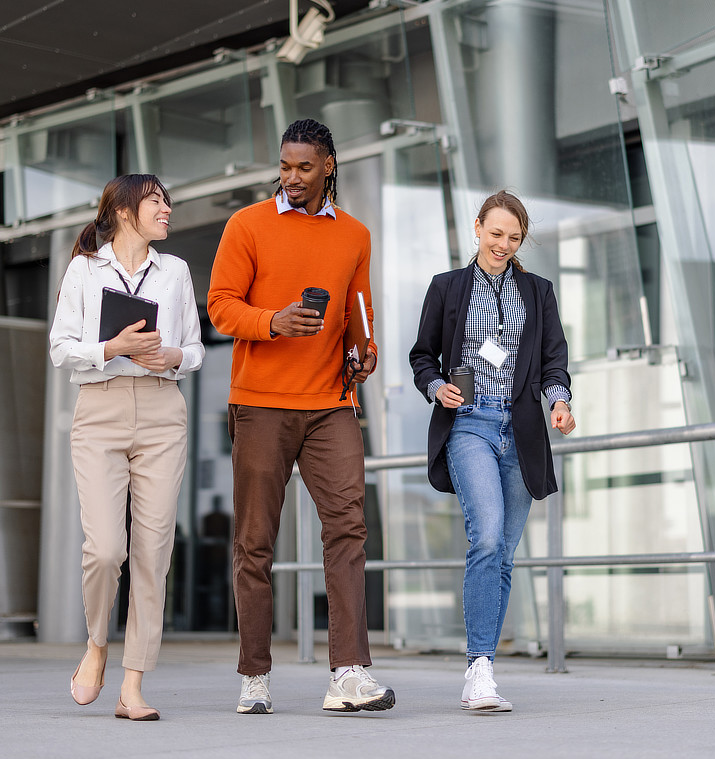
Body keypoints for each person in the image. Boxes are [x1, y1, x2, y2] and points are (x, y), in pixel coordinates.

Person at [207, 118, 395, 715]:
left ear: (328, 166)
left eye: (303, 168)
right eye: (284, 166)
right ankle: (255, 676)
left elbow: (358, 313)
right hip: (261, 403)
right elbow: (220, 307)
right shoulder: (247, 225)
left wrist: (364, 354)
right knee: (255, 542)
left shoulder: (356, 236)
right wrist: (273, 323)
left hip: (331, 404)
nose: (290, 177)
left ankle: (347, 674)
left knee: (348, 530)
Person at [409, 190, 575, 712]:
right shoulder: (447, 288)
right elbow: (421, 357)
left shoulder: (538, 292)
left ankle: (483, 669)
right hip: (470, 425)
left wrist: (560, 403)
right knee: (484, 537)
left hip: (521, 432)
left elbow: (553, 363)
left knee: (503, 553)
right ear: (477, 227)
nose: (503, 244)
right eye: (495, 232)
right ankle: (479, 667)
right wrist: (438, 387)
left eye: (514, 237)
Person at [50, 174, 204, 721]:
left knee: (153, 553)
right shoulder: (84, 270)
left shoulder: (177, 271)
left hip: (163, 410)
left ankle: (133, 683)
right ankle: (96, 645)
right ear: (121, 212)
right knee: (106, 549)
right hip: (100, 409)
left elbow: (195, 348)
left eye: (167, 200)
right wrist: (111, 346)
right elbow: (60, 348)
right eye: (155, 201)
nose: (167, 209)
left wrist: (172, 358)